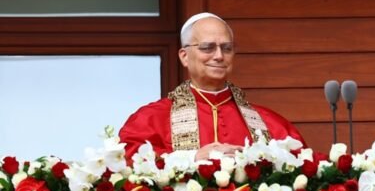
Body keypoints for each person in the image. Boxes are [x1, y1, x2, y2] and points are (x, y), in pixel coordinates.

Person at [119, 12, 305, 160]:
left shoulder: (270, 123)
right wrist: (192, 157)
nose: (219, 56)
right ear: (184, 56)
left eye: (226, 48)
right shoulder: (152, 118)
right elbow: (127, 157)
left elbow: (303, 162)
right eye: (207, 48)